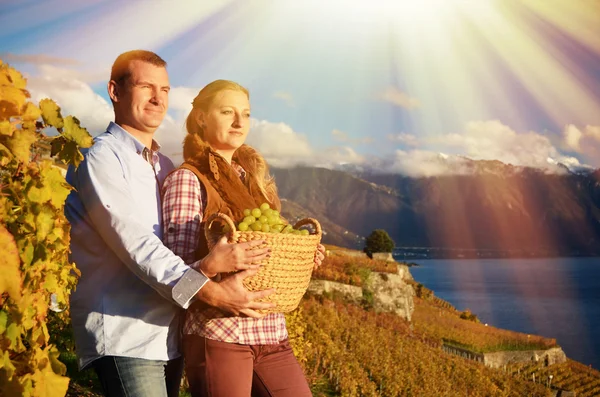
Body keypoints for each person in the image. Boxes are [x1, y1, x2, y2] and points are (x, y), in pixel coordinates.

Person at [65, 51, 274, 397]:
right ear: (114, 91)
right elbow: (136, 245)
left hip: (169, 333)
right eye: (146, 86)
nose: (158, 98)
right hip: (125, 333)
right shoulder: (101, 157)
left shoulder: (163, 165)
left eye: (165, 89)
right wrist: (211, 288)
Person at [162, 79, 326, 397]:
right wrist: (215, 269)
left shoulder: (254, 181)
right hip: (220, 333)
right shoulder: (186, 179)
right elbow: (172, 277)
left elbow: (270, 246)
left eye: (246, 114)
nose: (239, 122)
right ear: (201, 118)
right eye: (227, 112)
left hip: (271, 331)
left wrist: (300, 258)